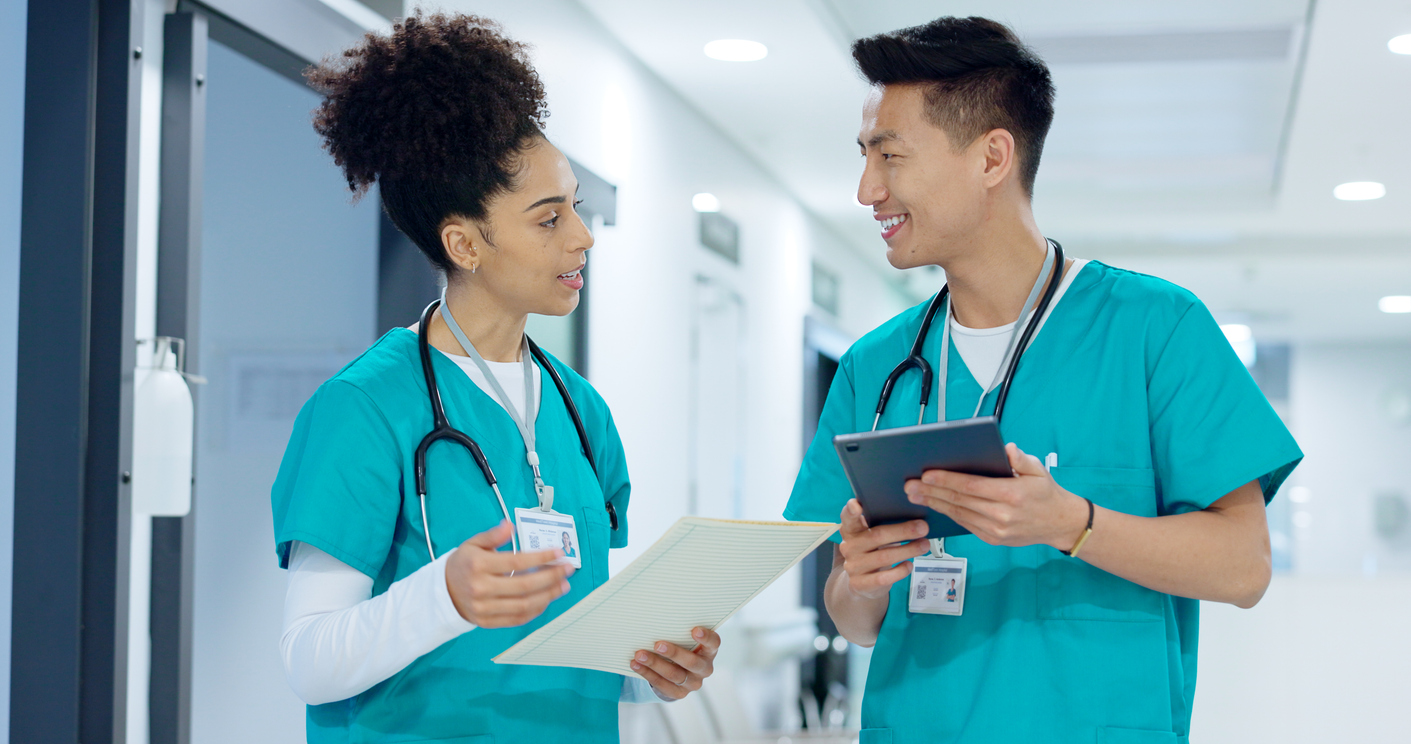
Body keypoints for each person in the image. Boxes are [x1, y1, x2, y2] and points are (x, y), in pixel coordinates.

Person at [784, 16, 1301, 744]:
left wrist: (1071, 524)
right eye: (865, 156)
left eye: (889, 155)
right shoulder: (875, 366)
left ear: (992, 157)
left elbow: (1243, 568)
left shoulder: (1154, 329)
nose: (868, 188)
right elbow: (853, 620)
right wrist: (860, 580)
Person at [270, 13, 718, 743]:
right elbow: (307, 661)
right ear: (464, 243)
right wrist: (442, 595)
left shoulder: (581, 412)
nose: (581, 236)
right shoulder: (364, 408)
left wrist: (652, 671)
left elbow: (578, 643)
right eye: (548, 219)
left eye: (575, 204)